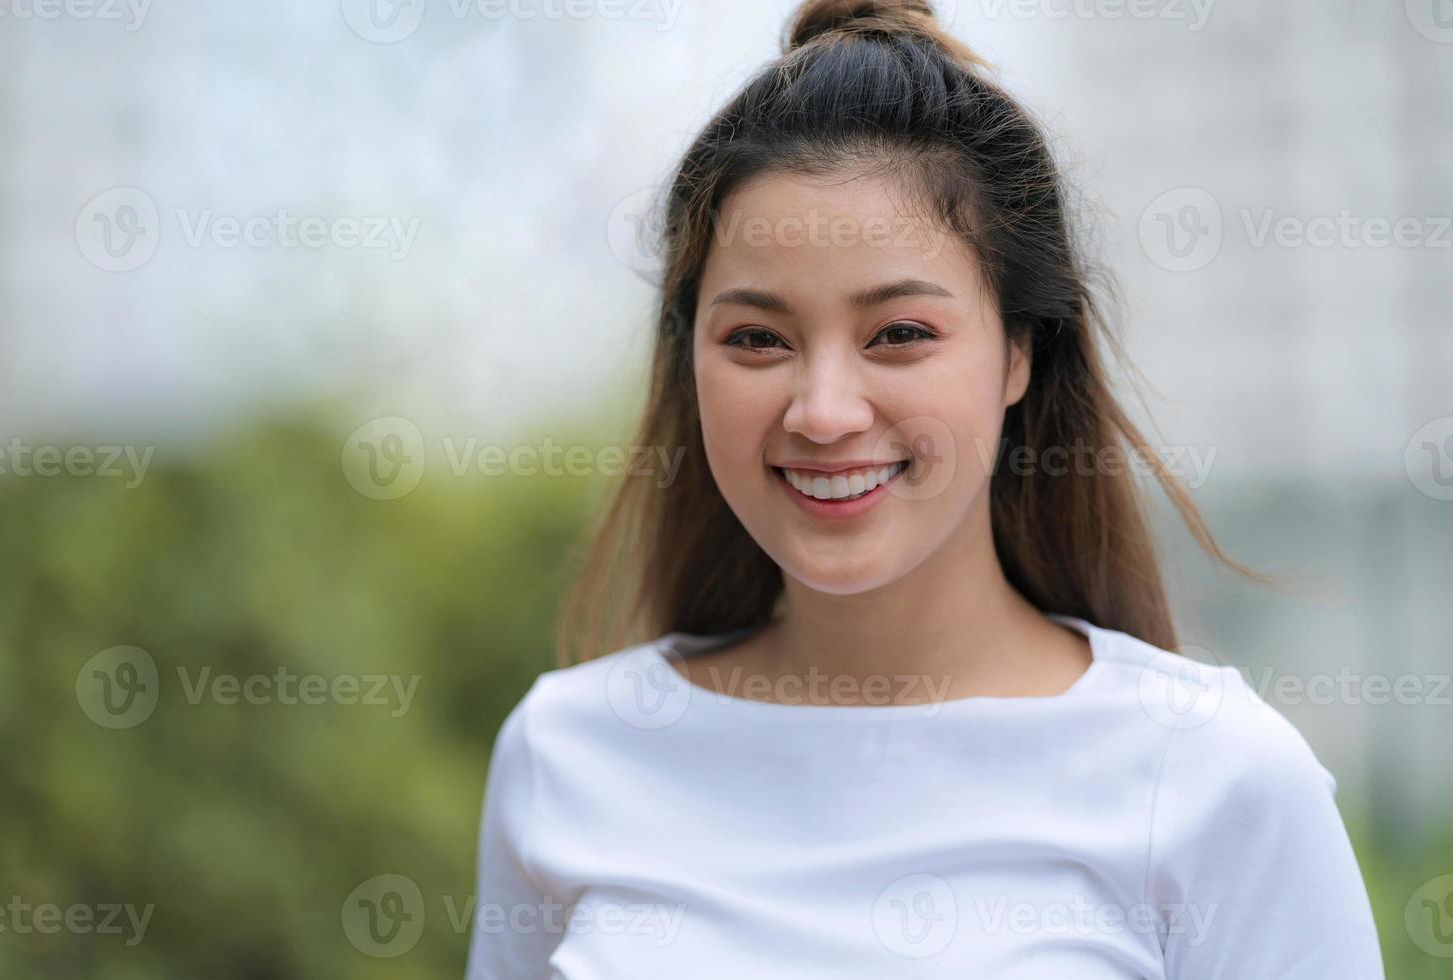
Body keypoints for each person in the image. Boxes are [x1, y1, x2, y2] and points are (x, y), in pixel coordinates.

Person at [466, 0, 1386, 975]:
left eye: (900, 333)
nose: (823, 411)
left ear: (1020, 351)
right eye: (756, 338)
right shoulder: (566, 755)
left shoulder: (1212, 776)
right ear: (688, 360)